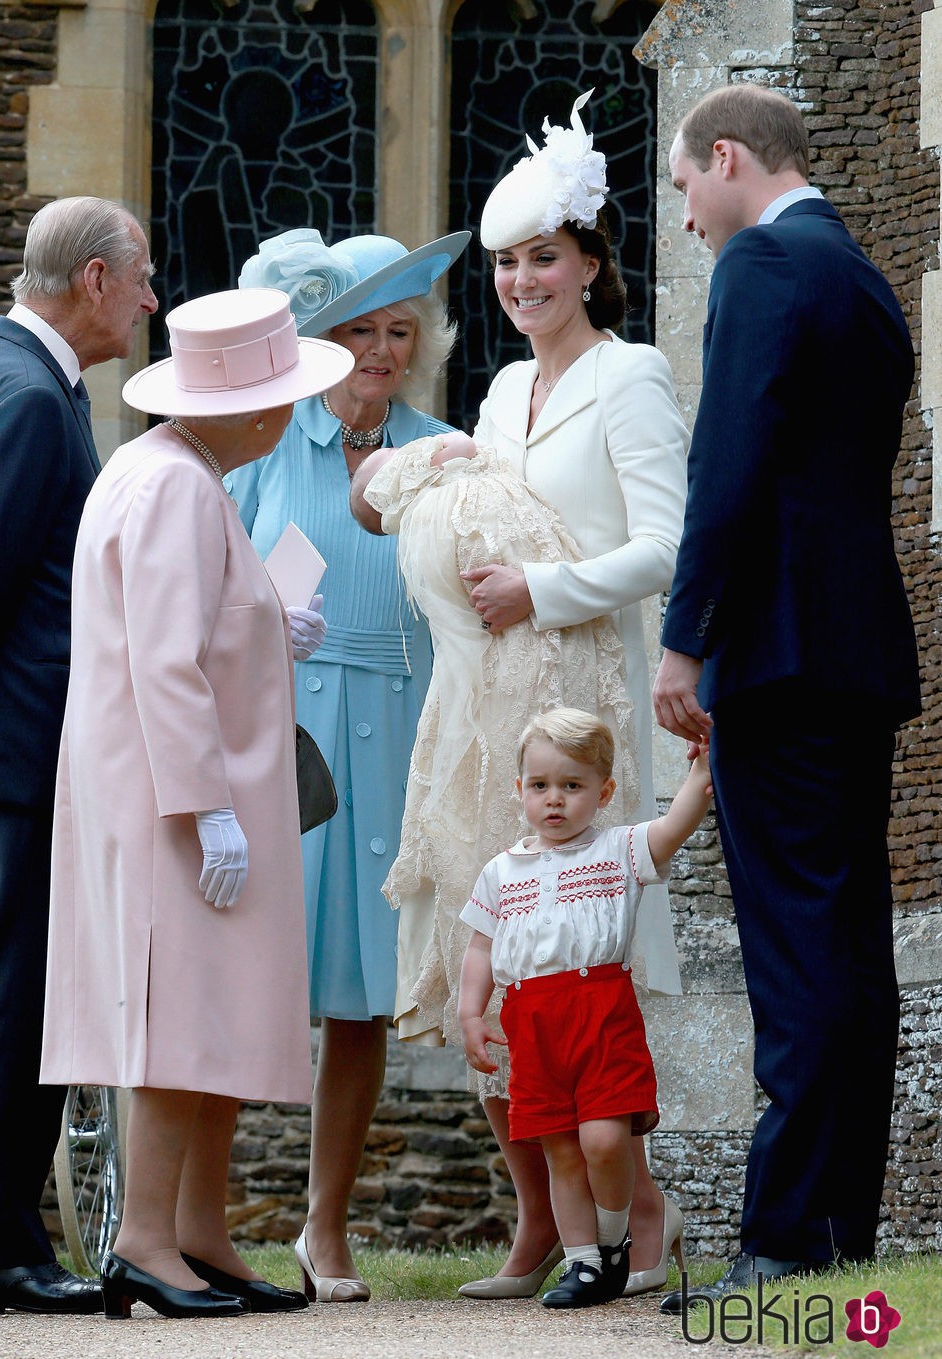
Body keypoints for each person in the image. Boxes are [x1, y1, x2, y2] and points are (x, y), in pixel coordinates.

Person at [353, 91, 689, 1298]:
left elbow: (665, 545)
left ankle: (634, 1220)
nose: (519, 281)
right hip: (476, 698)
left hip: (572, 697)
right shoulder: (497, 395)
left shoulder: (632, 377)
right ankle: (536, 1227)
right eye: (503, 263)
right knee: (484, 959)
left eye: (541, 256)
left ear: (591, 261)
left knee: (568, 969)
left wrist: (539, 589)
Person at [652, 84, 921, 1307]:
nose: (686, 212)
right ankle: (834, 1233)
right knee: (847, 944)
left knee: (796, 947)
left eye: (684, 186)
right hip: (855, 650)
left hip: (775, 648)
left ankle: (781, 1245)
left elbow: (728, 458)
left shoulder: (762, 263)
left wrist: (682, 636)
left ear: (725, 158)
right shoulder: (860, 276)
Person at [38, 287, 354, 1319]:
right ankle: (142, 1240)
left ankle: (199, 1230)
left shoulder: (172, 473)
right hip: (178, 797)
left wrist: (270, 623)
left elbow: (195, 624)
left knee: (212, 1011)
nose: (287, 416)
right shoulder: (173, 485)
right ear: (246, 407)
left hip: (191, 788)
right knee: (177, 1013)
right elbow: (165, 665)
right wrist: (204, 805)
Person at [228, 226, 468, 1302]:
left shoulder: (444, 450)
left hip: (409, 737)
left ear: (421, 342)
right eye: (359, 328)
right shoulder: (267, 445)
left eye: (398, 330)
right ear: (323, 337)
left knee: (363, 1003)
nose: (379, 349)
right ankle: (197, 1218)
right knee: (241, 981)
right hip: (286, 739)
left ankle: (323, 1233)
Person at [0, 197, 157, 1316]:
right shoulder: (33, 396)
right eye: (138, 281)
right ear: (92, 280)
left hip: (2, 753)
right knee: (13, 1004)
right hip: (17, 754)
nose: (147, 302)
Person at [458, 709, 711, 1309]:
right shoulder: (502, 872)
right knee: (560, 1151)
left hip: (600, 1014)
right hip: (532, 1023)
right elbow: (480, 946)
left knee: (603, 1140)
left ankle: (612, 1240)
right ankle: (582, 1266)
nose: (555, 800)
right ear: (519, 790)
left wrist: (702, 773)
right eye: (541, 786)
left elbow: (676, 824)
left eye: (572, 786)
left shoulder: (618, 850)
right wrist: (472, 1013)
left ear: (604, 792)